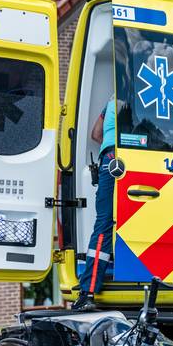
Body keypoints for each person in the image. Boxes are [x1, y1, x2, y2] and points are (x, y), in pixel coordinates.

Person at [73, 97, 116, 310]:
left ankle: (88, 290)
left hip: (108, 159)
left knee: (104, 224)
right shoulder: (137, 96)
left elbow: (95, 134)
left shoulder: (110, 101)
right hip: (125, 158)